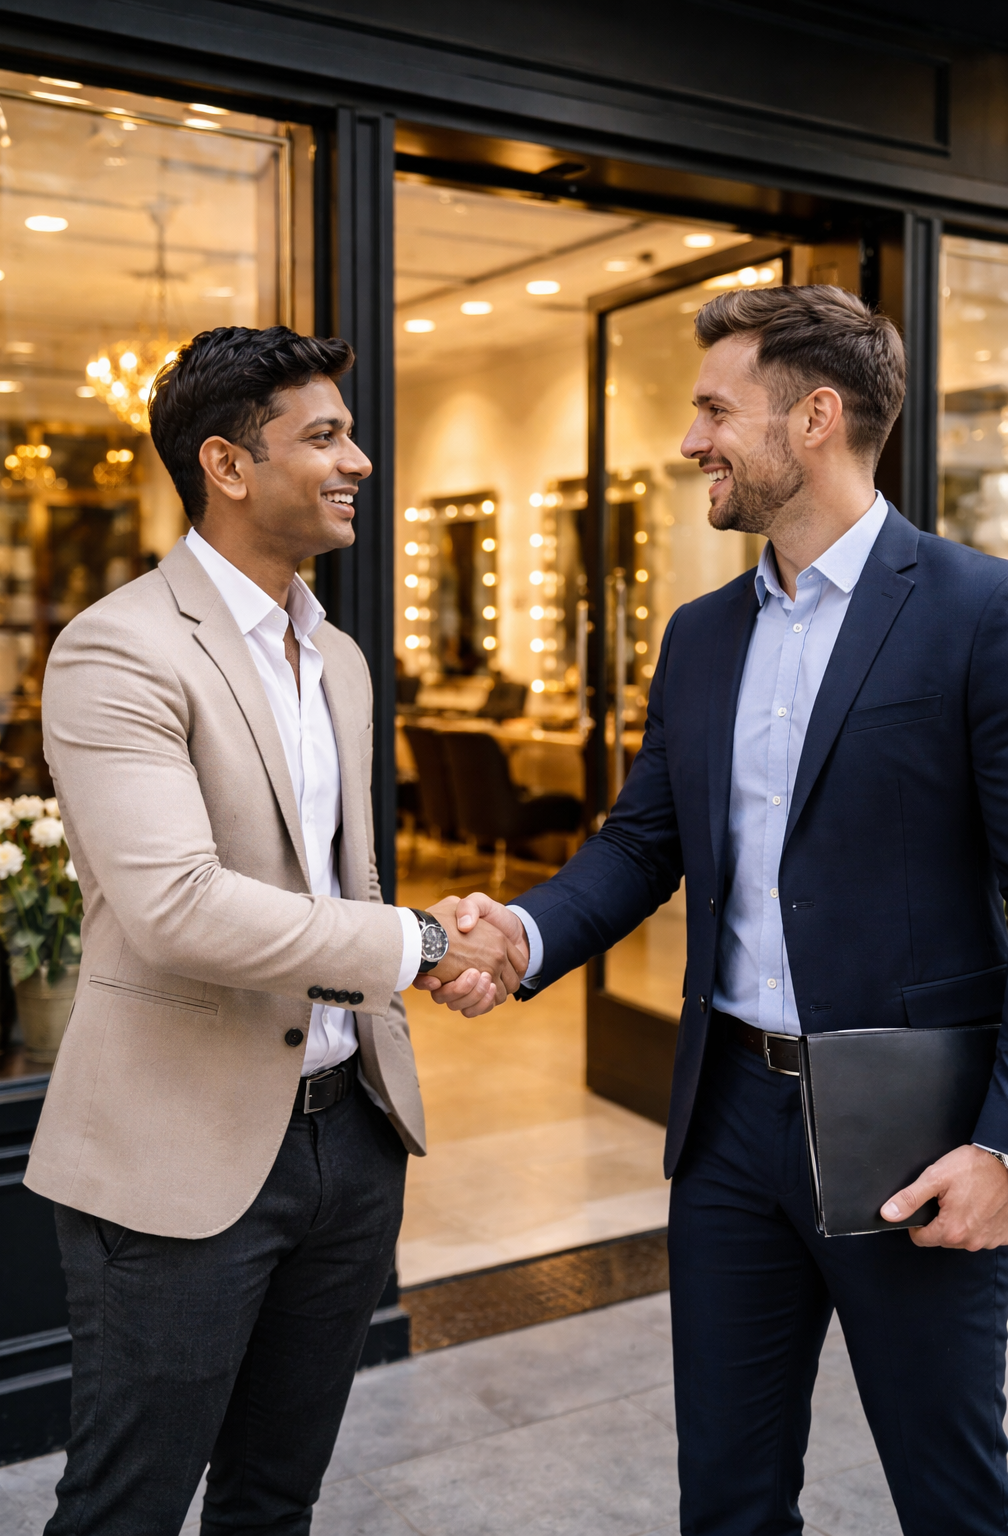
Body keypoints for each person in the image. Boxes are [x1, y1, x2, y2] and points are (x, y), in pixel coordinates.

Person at [422, 286, 1008, 1535]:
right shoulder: (697, 637)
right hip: (727, 1122)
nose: (691, 442)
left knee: (955, 1501)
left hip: (917, 1139)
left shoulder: (977, 610)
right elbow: (642, 846)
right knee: (727, 1501)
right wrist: (522, 937)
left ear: (814, 417)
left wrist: (1004, 1145)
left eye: (712, 410)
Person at [27, 325, 525, 1536]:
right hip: (175, 1155)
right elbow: (177, 904)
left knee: (275, 1497)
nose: (358, 459)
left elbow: (335, 883)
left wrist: (434, 947)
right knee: (122, 1508)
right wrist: (417, 943)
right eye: (325, 436)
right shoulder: (116, 648)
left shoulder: (342, 660)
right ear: (228, 465)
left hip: (350, 1139)